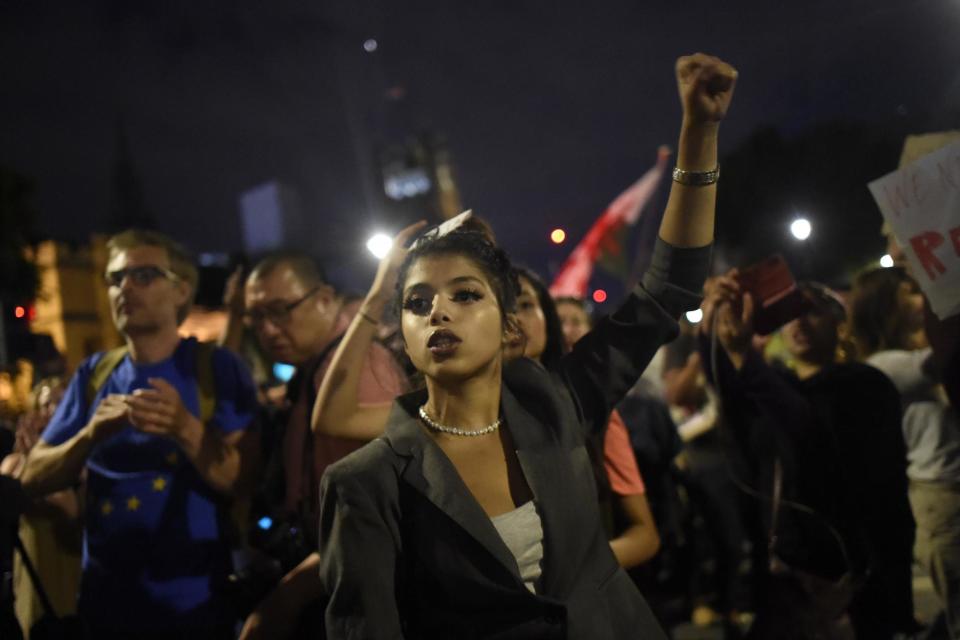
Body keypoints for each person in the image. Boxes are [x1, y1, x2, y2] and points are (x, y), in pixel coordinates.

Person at [316, 52, 736, 639]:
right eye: (416, 303)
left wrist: (700, 132)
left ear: (510, 324)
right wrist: (381, 285)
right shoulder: (365, 481)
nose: (437, 310)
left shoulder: (558, 403)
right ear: (404, 336)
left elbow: (666, 291)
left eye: (465, 294)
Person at [20, 229, 259, 638]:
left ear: (181, 290)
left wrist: (184, 428)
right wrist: (90, 435)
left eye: (144, 275)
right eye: (114, 278)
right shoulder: (94, 374)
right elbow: (32, 476)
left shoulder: (215, 368)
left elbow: (243, 480)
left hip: (199, 607)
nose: (124, 288)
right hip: (105, 606)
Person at [700, 273, 917, 638]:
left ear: (838, 324)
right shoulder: (780, 383)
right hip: (789, 572)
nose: (799, 323)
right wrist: (711, 326)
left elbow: (805, 430)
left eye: (812, 313)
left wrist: (744, 356)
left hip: (857, 572)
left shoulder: (863, 384)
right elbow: (730, 394)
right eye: (790, 315)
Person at [238, 252, 407, 639]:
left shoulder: (353, 368)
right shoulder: (316, 367)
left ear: (325, 299)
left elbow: (379, 515)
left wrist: (292, 594)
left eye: (280, 310)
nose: (267, 329)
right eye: (256, 317)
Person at [850, 266, 960, 639]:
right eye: (910, 294)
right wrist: (941, 294)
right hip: (942, 497)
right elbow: (944, 356)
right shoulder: (886, 364)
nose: (918, 301)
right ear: (885, 309)